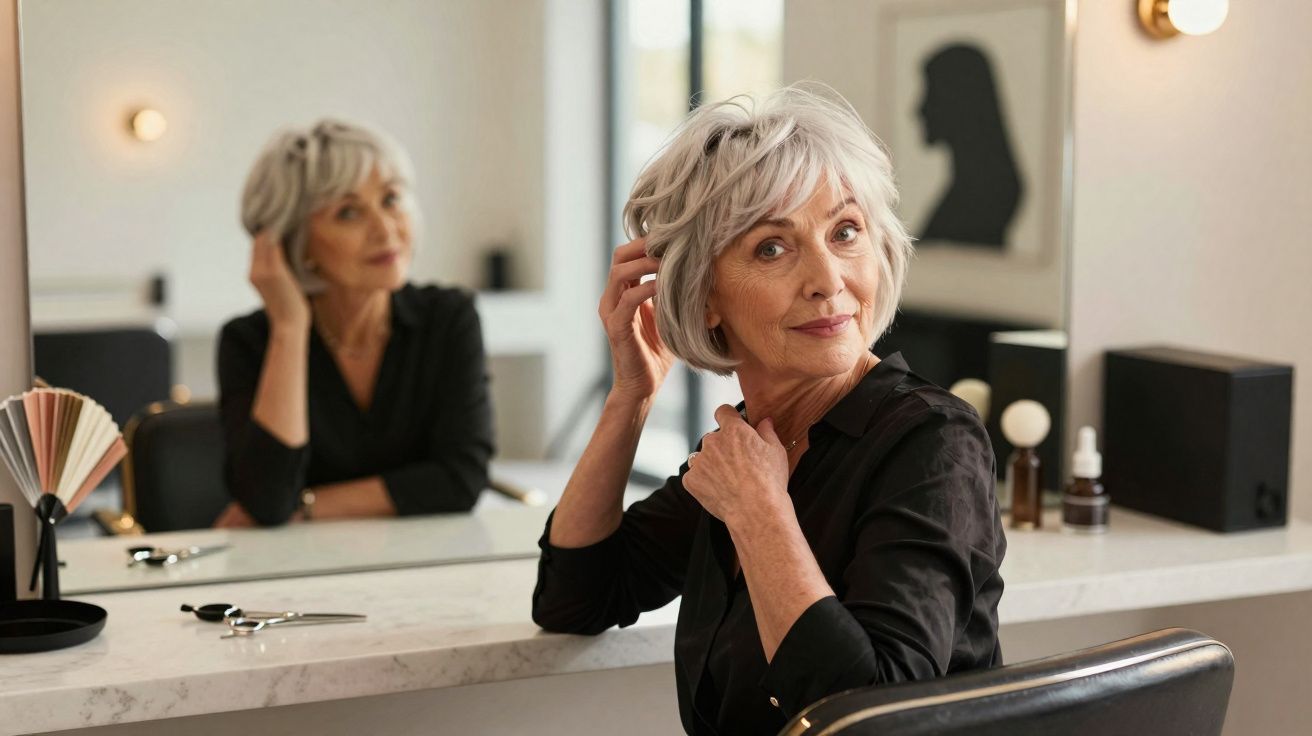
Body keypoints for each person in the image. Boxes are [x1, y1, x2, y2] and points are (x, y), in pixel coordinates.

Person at [532, 86, 1006, 735]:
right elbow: (575, 597)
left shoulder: (932, 441)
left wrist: (759, 516)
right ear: (702, 295)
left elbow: (877, 719)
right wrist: (630, 398)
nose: (828, 279)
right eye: (772, 249)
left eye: (845, 232)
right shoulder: (751, 447)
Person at [214, 120, 493, 527]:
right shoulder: (249, 340)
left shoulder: (449, 317)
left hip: (423, 561)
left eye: (391, 199)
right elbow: (267, 498)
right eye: (348, 212)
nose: (385, 230)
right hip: (296, 575)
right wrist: (290, 328)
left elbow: (460, 480)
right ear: (292, 241)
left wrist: (305, 506)